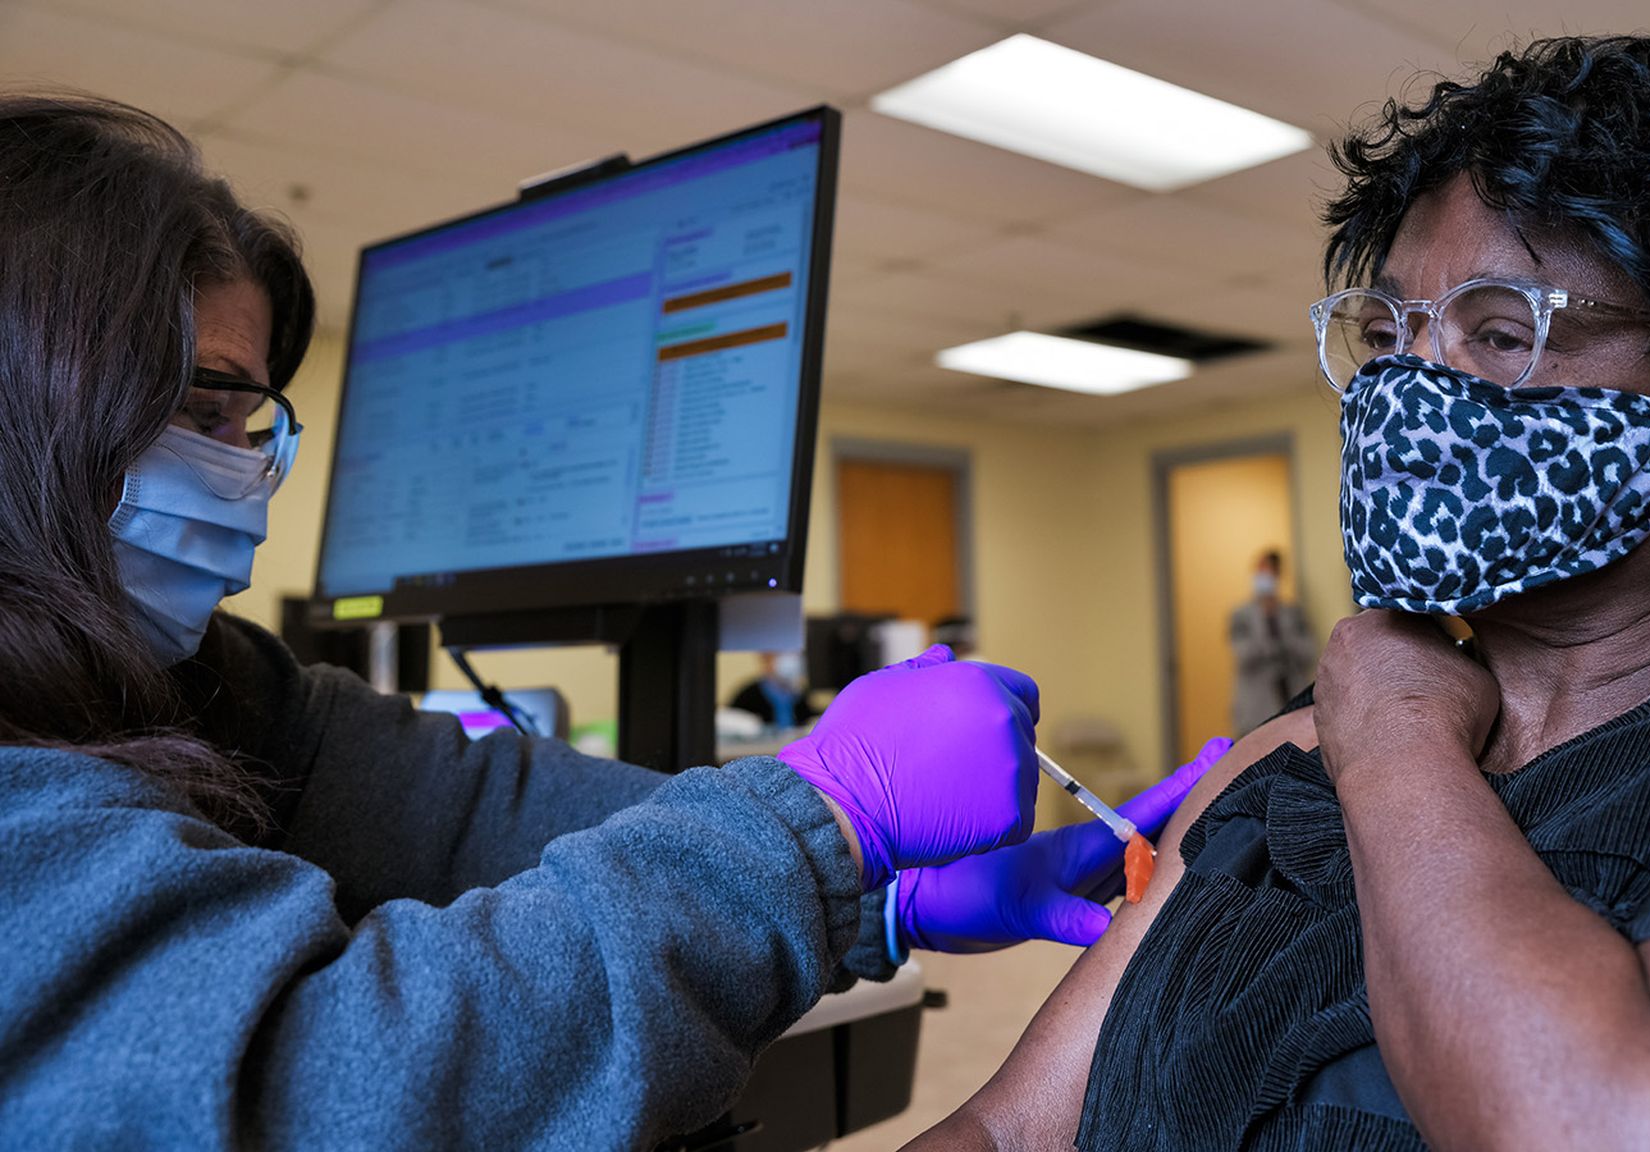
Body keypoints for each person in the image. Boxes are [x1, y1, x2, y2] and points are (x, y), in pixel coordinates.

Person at [0, 95, 1227, 1149]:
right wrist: (830, 813)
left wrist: (871, 890)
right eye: (208, 412)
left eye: (253, 427)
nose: (245, 475)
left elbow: (464, 807)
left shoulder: (194, 685)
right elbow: (332, 1087)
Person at [908, 29, 1650, 1151]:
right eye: (1388, 334)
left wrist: (1398, 740)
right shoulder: (1273, 764)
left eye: (1501, 334)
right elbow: (1005, 1132)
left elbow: (1633, 1128)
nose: (1409, 394)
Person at [1228, 548, 1316, 734]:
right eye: (1261, 572)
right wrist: (1264, 620)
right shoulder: (1241, 615)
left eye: (1270, 572)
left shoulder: (1293, 613)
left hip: (1291, 702)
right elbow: (1243, 655)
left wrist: (1282, 627)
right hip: (1255, 709)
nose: (1265, 577)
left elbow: (1309, 652)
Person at [729, 650, 818, 730]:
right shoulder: (747, 697)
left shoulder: (802, 695)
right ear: (766, 658)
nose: (792, 659)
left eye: (797, 655)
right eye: (782, 654)